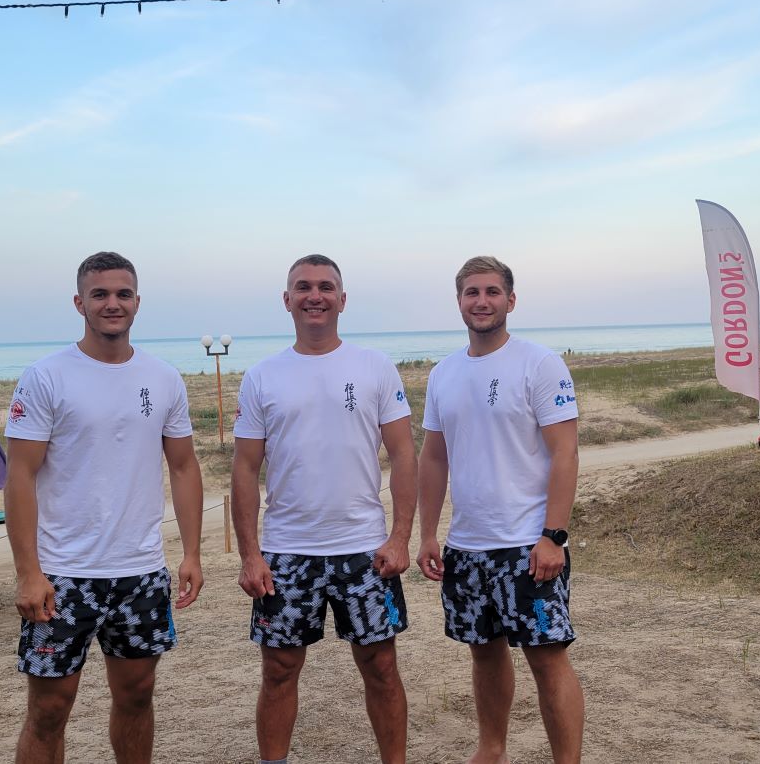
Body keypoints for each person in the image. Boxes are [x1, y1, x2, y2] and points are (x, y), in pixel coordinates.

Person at [4, 251, 205, 764]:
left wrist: (191, 554)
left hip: (140, 571)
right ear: (80, 303)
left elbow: (184, 467)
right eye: (100, 294)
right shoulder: (46, 376)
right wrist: (29, 572)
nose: (112, 304)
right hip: (62, 573)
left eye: (122, 294)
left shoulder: (164, 378)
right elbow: (20, 475)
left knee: (137, 697)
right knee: (49, 710)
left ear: (137, 302)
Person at [231, 254, 417, 764]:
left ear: (342, 299)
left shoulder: (374, 367)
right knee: (278, 670)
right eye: (303, 287)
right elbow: (245, 468)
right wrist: (250, 554)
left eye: (326, 287)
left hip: (365, 549)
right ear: (287, 300)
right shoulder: (262, 376)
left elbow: (404, 453)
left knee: (381, 667)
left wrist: (400, 536)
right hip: (287, 552)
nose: (315, 296)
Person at [416, 256, 584, 764]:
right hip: (467, 546)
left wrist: (553, 535)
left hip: (527, 545)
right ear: (459, 301)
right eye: (472, 292)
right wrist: (428, 533)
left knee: (547, 660)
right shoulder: (443, 373)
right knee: (484, 654)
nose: (481, 301)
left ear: (510, 300)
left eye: (492, 292)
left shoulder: (539, 363)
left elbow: (565, 453)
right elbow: (434, 457)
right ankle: (492, 750)